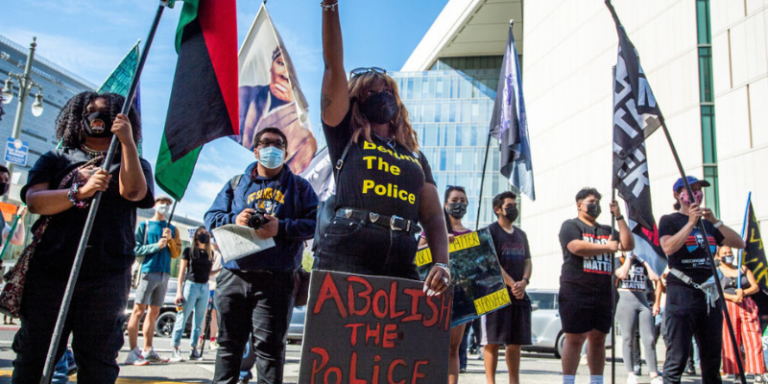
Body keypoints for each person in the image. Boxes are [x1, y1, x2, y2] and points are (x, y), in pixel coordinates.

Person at [12, 91, 153, 383]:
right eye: (90, 110)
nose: (97, 116)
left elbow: (135, 193)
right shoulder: (55, 158)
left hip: (107, 277)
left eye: (106, 112)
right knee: (34, 358)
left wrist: (127, 142)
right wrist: (80, 192)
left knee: (98, 361)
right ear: (77, 116)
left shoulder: (133, 160)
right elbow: (35, 201)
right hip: (52, 273)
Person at [317, 0, 450, 294]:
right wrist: (330, 7)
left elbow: (432, 215)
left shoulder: (414, 154)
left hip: (402, 251)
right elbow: (333, 66)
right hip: (348, 248)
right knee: (339, 339)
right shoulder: (345, 134)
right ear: (356, 101)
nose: (381, 96)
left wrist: (442, 263)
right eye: (370, 92)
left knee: (400, 338)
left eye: (387, 90)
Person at [205, 127, 318, 384]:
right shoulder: (235, 184)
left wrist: (281, 227)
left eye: (278, 144)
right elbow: (211, 218)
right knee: (227, 348)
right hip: (233, 276)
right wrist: (235, 218)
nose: (272, 148)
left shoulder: (300, 188)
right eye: (265, 143)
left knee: (270, 351)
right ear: (256, 150)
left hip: (276, 281)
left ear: (286, 152)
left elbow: (316, 224)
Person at [659, 175, 745, 384]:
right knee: (677, 358)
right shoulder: (669, 221)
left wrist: (716, 222)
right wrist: (690, 223)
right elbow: (668, 247)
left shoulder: (709, 225)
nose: (697, 193)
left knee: (711, 359)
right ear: (678, 195)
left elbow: (739, 243)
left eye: (699, 190)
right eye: (691, 190)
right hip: (682, 294)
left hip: (709, 296)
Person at [558, 187, 634, 384]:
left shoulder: (607, 230)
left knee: (598, 338)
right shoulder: (570, 226)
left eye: (598, 202)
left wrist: (619, 217)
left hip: (604, 291)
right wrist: (606, 247)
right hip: (576, 290)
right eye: (591, 202)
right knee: (575, 338)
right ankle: (568, 380)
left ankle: (597, 380)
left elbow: (628, 244)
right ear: (579, 205)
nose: (595, 206)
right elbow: (576, 247)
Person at [417, 185, 472, 383]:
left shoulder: (470, 234)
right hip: (432, 294)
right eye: (455, 200)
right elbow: (417, 252)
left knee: (453, 349)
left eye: (463, 200)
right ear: (446, 204)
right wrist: (439, 244)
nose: (459, 204)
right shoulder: (433, 231)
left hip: (459, 297)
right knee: (428, 345)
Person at [239, 47, 316, 172]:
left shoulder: (305, 141)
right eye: (280, 63)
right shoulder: (242, 95)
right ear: (271, 67)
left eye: (278, 145)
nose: (284, 74)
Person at [483, 191, 532, 384]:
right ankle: (490, 381)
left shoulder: (521, 234)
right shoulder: (490, 232)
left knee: (515, 342)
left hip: (518, 296)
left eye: (515, 205)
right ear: (498, 209)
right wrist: (512, 283)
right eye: (509, 205)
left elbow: (528, 261)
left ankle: (514, 381)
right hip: (495, 294)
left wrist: (524, 282)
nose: (513, 209)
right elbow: (491, 262)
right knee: (493, 341)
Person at [126, 196, 181, 365]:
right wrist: (156, 246)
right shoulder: (145, 225)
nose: (164, 206)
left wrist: (170, 240)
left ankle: (148, 349)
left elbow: (176, 253)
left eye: (167, 204)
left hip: (164, 274)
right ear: (155, 205)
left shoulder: (172, 228)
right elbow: (135, 249)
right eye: (161, 203)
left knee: (154, 312)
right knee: (138, 310)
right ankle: (133, 351)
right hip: (148, 271)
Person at [716, 245, 767, 381]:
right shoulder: (717, 271)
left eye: (729, 252)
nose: (728, 254)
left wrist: (744, 292)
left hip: (747, 304)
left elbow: (755, 286)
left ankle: (758, 372)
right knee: (732, 338)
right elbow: (716, 290)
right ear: (719, 256)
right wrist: (732, 297)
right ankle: (737, 372)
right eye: (724, 253)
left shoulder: (742, 268)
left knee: (753, 337)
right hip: (729, 305)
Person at [614, 252, 661, 384]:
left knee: (649, 338)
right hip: (625, 301)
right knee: (628, 338)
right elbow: (621, 274)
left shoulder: (642, 261)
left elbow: (654, 277)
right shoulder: (619, 260)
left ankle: (654, 374)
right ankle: (631, 373)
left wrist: (645, 261)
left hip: (642, 301)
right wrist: (628, 258)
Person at [170, 226, 214, 362]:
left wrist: (219, 271)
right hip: (191, 285)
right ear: (196, 235)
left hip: (204, 286)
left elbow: (208, 272)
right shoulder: (189, 251)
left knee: (199, 321)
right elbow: (182, 272)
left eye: (206, 233)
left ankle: (193, 349)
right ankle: (175, 348)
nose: (204, 235)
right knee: (183, 317)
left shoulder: (209, 253)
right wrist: (179, 291)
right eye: (202, 233)